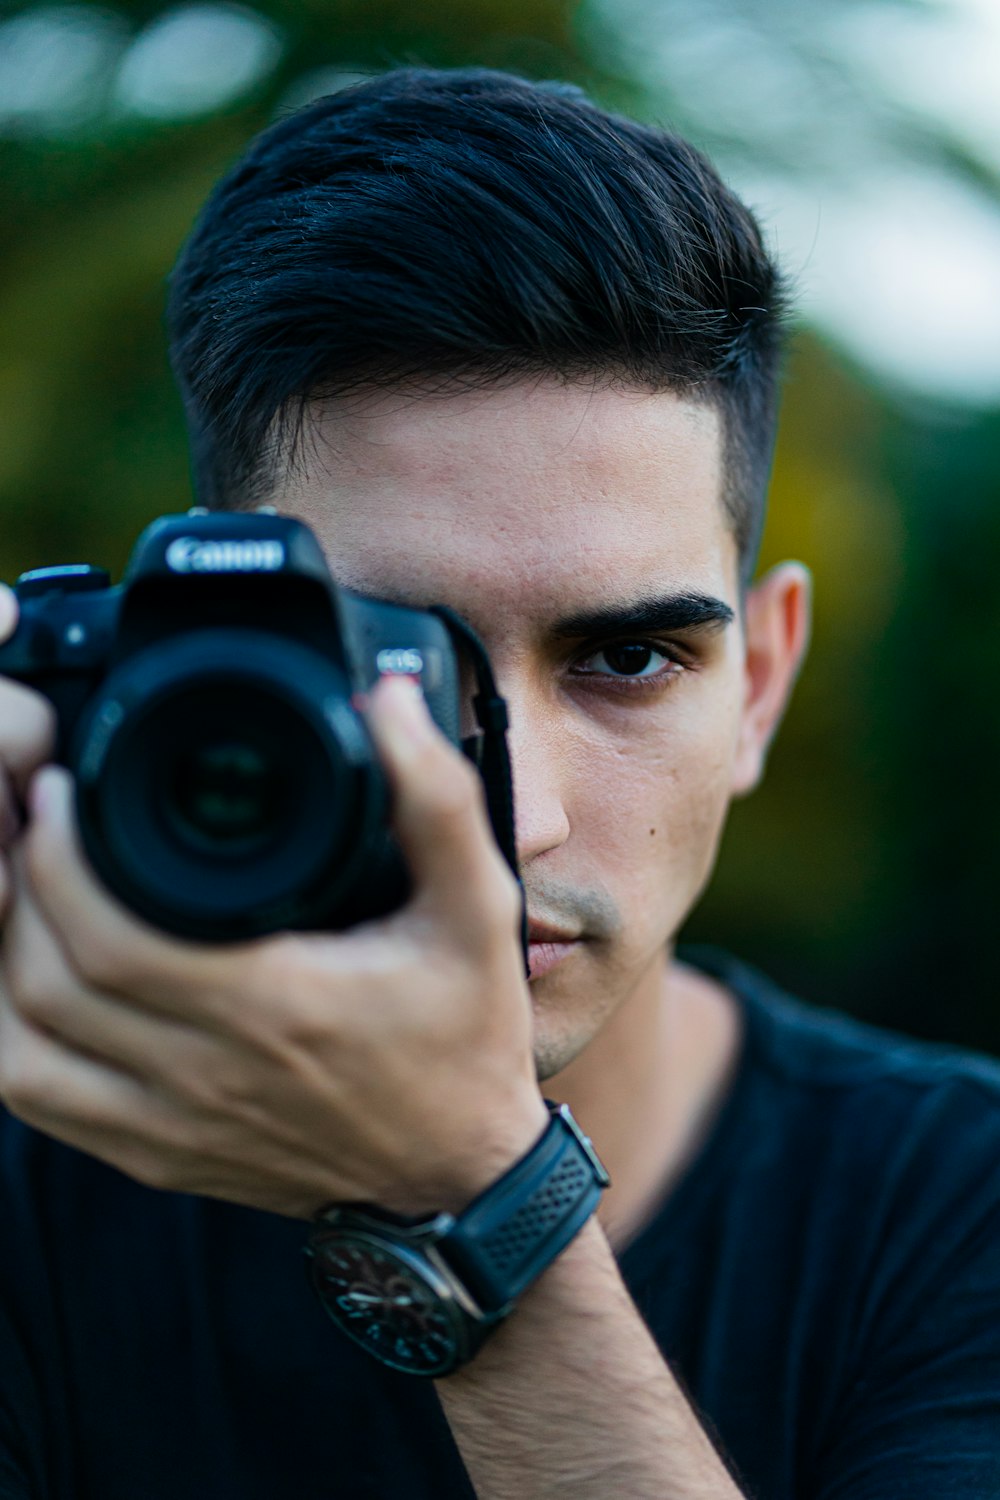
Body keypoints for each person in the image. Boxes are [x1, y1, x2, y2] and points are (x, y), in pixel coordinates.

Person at [0, 66, 996, 1500]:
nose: (513, 818)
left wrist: (472, 1209)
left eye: (630, 661)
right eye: (392, 667)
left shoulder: (957, 1213)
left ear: (762, 683)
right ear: (198, 651)